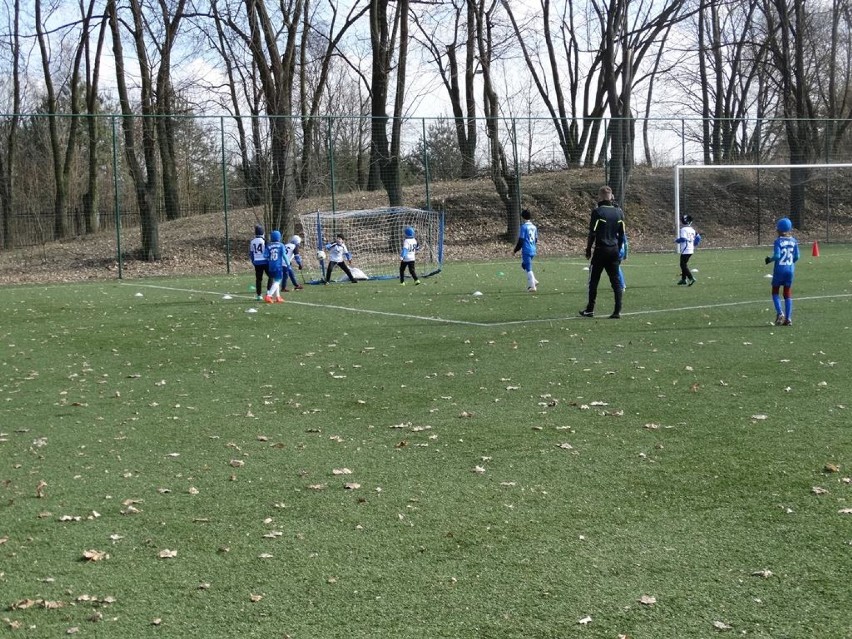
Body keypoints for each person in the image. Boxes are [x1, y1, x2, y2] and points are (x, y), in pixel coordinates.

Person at [580, 185, 626, 319]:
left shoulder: (598, 212)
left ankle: (590, 309)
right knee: (616, 281)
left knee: (593, 280)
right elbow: (622, 234)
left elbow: (592, 233)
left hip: (601, 250)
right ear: (611, 197)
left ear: (599, 197)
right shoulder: (619, 212)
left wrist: (588, 249)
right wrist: (619, 249)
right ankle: (617, 310)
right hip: (614, 250)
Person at [765, 217, 799, 326]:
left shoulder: (778, 241)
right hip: (790, 270)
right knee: (787, 294)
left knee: (775, 292)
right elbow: (797, 256)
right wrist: (791, 263)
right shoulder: (794, 241)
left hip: (779, 270)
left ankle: (780, 313)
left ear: (779, 229)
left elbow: (777, 255)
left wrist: (769, 260)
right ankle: (788, 318)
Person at [512, 209, 538, 292]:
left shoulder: (524, 227)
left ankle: (532, 286)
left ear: (522, 217)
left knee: (528, 268)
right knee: (524, 265)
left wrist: (515, 250)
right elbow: (536, 239)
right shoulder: (534, 227)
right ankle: (534, 280)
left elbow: (521, 240)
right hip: (533, 249)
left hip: (526, 250)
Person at [675, 214, 701, 285]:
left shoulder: (683, 229)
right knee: (684, 264)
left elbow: (683, 239)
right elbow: (698, 237)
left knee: (683, 265)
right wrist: (694, 244)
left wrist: (677, 240)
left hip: (685, 249)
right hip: (690, 249)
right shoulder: (692, 229)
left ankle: (691, 278)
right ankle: (683, 280)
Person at [263, 230, 288, 303]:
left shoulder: (269, 245)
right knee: (278, 281)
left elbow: (265, 255)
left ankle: (278, 297)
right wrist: (288, 264)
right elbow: (284, 255)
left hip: (270, 266)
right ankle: (269, 295)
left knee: (275, 280)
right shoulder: (281, 245)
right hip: (278, 266)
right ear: (279, 237)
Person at [249, 224, 270, 301]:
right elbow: (267, 251)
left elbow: (251, 253)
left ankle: (259, 295)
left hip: (257, 262)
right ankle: (268, 292)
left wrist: (253, 261)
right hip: (265, 261)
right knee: (271, 276)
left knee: (258, 279)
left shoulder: (252, 241)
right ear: (262, 233)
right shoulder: (264, 241)